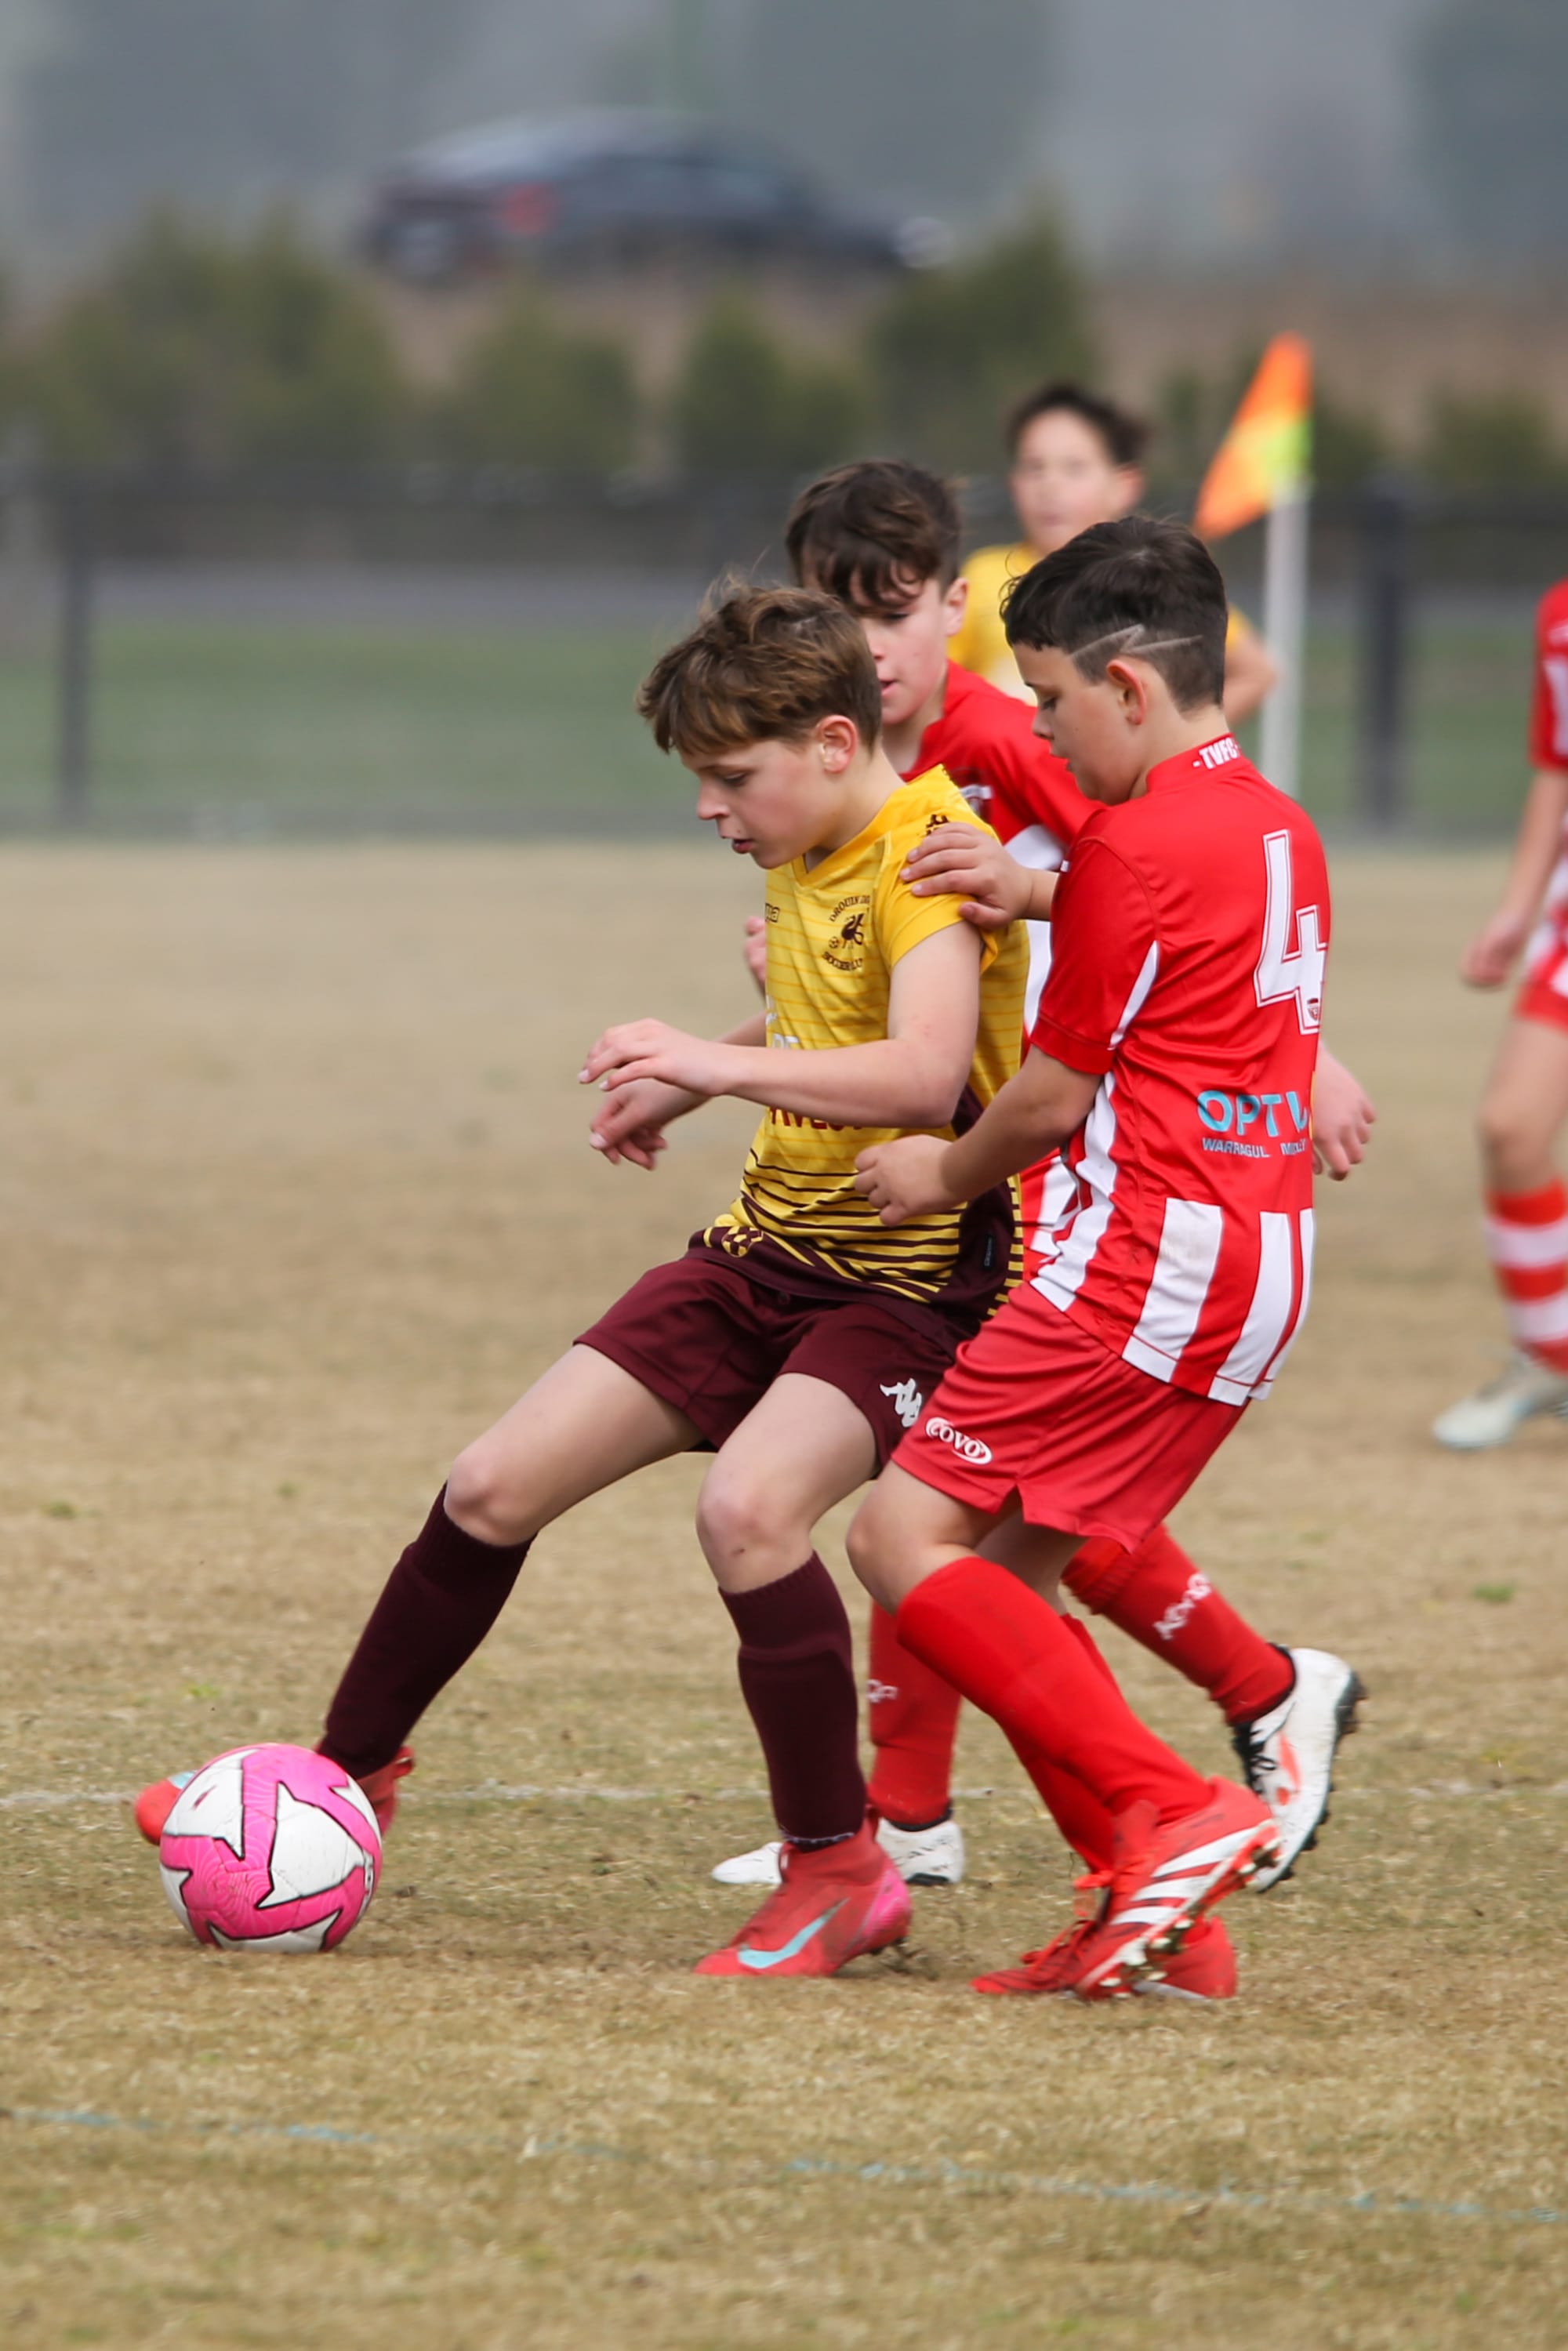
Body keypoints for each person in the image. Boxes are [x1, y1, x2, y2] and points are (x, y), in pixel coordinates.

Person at [137, 583, 1033, 1980]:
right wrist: (702, 1076)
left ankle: (839, 1867)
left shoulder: (927, 855)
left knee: (750, 1512)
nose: (711, 808)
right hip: (761, 1255)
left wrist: (710, 1060)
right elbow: (828, 1013)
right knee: (491, 1485)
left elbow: (925, 1071)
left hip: (909, 1289)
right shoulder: (808, 840)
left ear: (834, 742)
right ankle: (337, 1785)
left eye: (732, 776)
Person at [717, 462, 1364, 1962]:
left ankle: (1175, 1807)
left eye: (1057, 698)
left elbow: (1051, 1097)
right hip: (1258, 1251)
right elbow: (1180, 940)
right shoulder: (1277, 823)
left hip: (1144, 1253)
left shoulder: (1132, 841)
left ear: (1127, 687)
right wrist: (1035, 893)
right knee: (1003, 1582)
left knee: (900, 1536)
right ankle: (1159, 1914)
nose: (1045, 729)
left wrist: (939, 1172)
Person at [1434, 575, 1568, 1449]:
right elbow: (1556, 768)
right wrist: (1515, 910)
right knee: (1511, 1127)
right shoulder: (1559, 615)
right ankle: (1549, 1357)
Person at [949, 381, 1278, 720]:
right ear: (1012, 482)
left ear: (1125, 485)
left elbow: (1254, 672)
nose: (1050, 486)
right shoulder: (982, 575)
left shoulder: (1152, 576)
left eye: (1074, 468)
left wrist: (1171, 734)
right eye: (1034, 468)